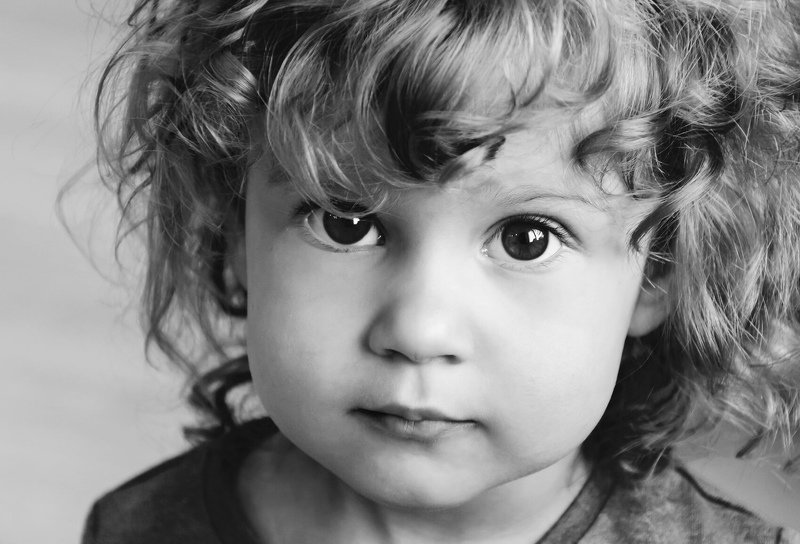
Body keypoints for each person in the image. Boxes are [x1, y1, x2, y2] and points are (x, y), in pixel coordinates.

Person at [80, 0, 800, 542]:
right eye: (345, 222)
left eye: (526, 239)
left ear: (659, 273)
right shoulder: (142, 527)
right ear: (233, 230)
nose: (419, 330)